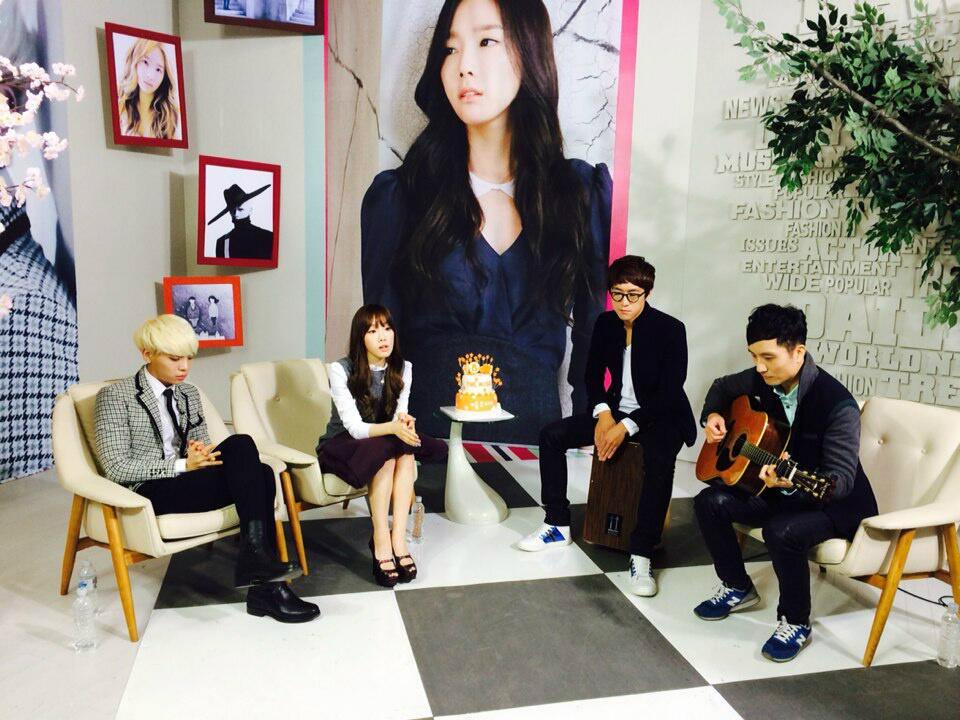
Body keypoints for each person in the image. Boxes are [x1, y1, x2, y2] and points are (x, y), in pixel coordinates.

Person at [361, 0, 611, 444]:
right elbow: (379, 347)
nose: (464, 66)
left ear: (529, 52)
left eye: (486, 41)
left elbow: (594, 338)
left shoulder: (578, 193)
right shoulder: (400, 197)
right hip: (428, 451)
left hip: (539, 453)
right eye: (450, 48)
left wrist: (589, 440)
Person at [93, 315, 319, 623]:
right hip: (151, 490)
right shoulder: (115, 397)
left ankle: (258, 566)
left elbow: (200, 443)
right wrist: (182, 464)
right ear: (147, 354)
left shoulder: (188, 393)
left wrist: (198, 453)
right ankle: (265, 586)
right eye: (175, 359)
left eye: (189, 358)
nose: (184, 367)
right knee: (261, 475)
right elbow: (116, 467)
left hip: (189, 480)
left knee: (248, 453)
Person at [693, 304, 878, 662]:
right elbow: (721, 388)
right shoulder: (759, 379)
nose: (760, 367)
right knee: (708, 502)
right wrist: (713, 415)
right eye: (753, 357)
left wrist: (789, 483)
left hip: (832, 503)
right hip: (776, 488)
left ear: (798, 352)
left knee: (782, 531)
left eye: (768, 357)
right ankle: (737, 586)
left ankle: (795, 622)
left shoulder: (837, 405)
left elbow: (840, 482)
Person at [517, 256, 697, 597]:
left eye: (633, 295)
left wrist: (626, 426)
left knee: (658, 459)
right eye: (617, 294)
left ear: (647, 293)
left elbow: (670, 392)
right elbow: (592, 375)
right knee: (551, 436)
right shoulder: (605, 323)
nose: (624, 302)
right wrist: (603, 414)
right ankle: (557, 524)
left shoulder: (671, 329)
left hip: (659, 415)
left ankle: (641, 552)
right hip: (614, 411)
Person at [317, 305, 447, 587]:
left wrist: (405, 423)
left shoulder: (403, 368)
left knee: (404, 449)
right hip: (342, 444)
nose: (383, 336)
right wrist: (395, 429)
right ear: (360, 337)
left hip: (383, 441)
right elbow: (354, 427)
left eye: (387, 328)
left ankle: (398, 539)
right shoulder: (340, 370)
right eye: (373, 331)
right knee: (391, 449)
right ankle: (380, 539)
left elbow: (400, 413)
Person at [116, 37, 180, 140]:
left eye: (158, 69)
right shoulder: (118, 101)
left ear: (165, 76)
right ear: (135, 60)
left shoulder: (169, 114)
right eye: (145, 62)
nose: (150, 75)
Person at [210, 183, 274, 260]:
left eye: (240, 209)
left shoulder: (268, 237)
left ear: (250, 210)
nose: (236, 214)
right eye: (232, 210)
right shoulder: (222, 243)